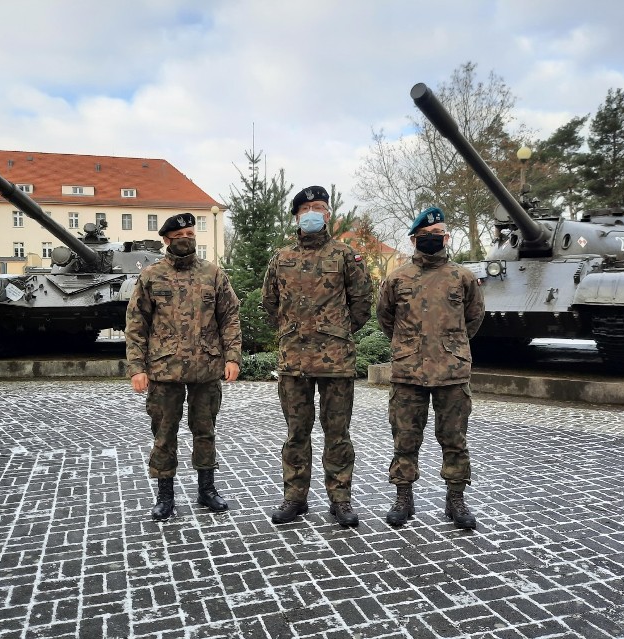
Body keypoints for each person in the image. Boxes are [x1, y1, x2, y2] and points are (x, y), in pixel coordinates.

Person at [261, 185, 373, 527]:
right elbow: (269, 305)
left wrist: (336, 332)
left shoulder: (345, 256)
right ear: (297, 216)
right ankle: (295, 498)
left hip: (335, 362)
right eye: (306, 207)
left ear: (328, 214)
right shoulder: (281, 258)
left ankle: (340, 500)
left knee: (337, 434)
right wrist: (292, 332)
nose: (313, 212)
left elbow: (363, 302)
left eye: (320, 207)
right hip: (294, 362)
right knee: (297, 434)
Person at [125, 212, 242, 521]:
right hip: (164, 370)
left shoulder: (213, 274)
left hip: (206, 367)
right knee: (164, 433)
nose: (186, 240)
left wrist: (232, 357)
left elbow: (229, 317)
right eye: (179, 237)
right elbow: (136, 323)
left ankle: (207, 490)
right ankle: (165, 496)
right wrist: (137, 367)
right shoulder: (151, 276)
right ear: (166, 240)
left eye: (190, 234)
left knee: (205, 430)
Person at [376, 206, 485, 529]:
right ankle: (403, 497)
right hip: (408, 372)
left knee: (454, 439)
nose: (432, 240)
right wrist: (410, 346)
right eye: (425, 236)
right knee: (405, 439)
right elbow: (385, 319)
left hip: (452, 371)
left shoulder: (462, 277)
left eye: (437, 235)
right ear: (414, 240)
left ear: (447, 237)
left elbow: (474, 318)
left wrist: (450, 346)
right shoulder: (397, 279)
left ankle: (456, 500)